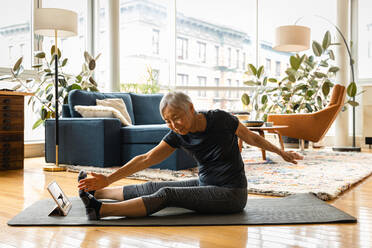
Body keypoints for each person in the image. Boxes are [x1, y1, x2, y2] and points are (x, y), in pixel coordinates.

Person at [78, 91, 303, 220]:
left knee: (167, 193)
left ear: (191, 109)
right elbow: (147, 159)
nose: (174, 125)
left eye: (177, 117)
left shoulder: (221, 119)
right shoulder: (178, 134)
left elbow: (252, 137)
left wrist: (280, 152)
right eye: (168, 121)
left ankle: (101, 210)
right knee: (153, 185)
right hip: (206, 183)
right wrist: (107, 178)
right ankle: (97, 191)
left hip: (232, 194)